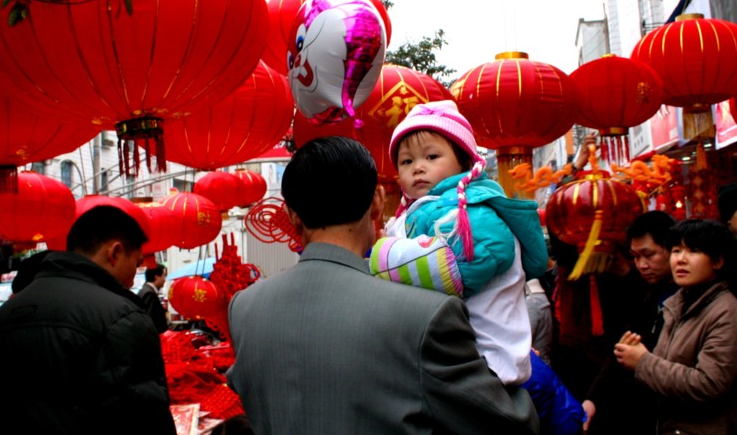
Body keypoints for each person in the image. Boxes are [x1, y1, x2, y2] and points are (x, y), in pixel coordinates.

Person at [227, 136, 539, 434]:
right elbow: (509, 424)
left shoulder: (243, 308)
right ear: (377, 201)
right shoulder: (425, 314)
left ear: (291, 216)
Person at [370, 101, 582, 434]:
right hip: (467, 357)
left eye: (431, 156)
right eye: (406, 161)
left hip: (484, 360)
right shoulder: (426, 211)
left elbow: (463, 268)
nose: (417, 168)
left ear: (465, 161)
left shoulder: (472, 209)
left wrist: (383, 259)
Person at [0, 205, 175, 435]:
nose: (133, 279)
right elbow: (145, 420)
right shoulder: (122, 318)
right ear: (115, 252)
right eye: (135, 264)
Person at [613, 219, 737, 433]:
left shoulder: (725, 312)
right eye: (676, 251)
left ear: (717, 261)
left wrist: (642, 362)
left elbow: (709, 385)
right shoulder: (676, 304)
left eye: (693, 251)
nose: (681, 260)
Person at [582, 210, 678, 434]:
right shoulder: (643, 294)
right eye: (636, 257)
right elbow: (619, 349)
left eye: (649, 254)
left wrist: (643, 361)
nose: (642, 264)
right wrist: (593, 399)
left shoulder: (696, 297)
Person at [139, 264, 169, 333]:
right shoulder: (149, 293)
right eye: (164, 276)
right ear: (157, 277)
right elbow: (150, 320)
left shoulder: (147, 290)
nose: (164, 280)